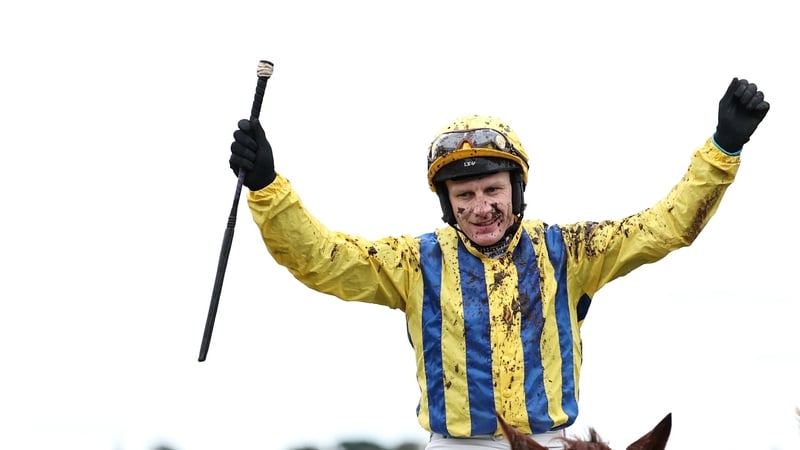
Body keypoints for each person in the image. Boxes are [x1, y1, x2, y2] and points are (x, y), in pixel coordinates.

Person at [228, 77, 769, 449]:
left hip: (553, 442)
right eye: (463, 195)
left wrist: (723, 146)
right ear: (446, 203)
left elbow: (666, 227)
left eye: (492, 189)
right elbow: (320, 259)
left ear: (516, 190)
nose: (480, 207)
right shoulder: (414, 262)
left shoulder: (569, 250)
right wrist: (267, 187)